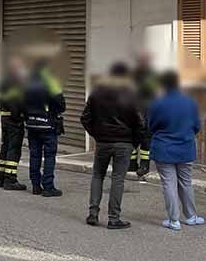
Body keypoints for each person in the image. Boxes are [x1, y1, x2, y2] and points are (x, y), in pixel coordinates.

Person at [81, 62, 143, 229]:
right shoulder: (131, 95)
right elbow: (140, 123)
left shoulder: (97, 93)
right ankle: (113, 218)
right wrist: (134, 142)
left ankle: (93, 213)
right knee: (118, 179)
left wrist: (98, 135)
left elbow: (85, 118)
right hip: (124, 143)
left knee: (97, 175)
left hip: (103, 142)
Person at [148, 71, 203, 231]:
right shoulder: (190, 102)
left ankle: (174, 221)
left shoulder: (157, 103)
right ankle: (191, 217)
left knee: (169, 184)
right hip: (185, 147)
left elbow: (151, 125)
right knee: (186, 182)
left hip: (163, 148)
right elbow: (197, 125)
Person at [24, 60, 66, 197]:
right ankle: (48, 187)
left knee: (34, 155)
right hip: (47, 125)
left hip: (31, 125)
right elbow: (61, 105)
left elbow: (22, 103)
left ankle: (36, 185)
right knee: (49, 156)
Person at [0, 56, 27, 191]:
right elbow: (15, 103)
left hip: (5, 118)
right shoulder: (15, 82)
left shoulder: (3, 81)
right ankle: (10, 180)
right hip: (14, 120)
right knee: (14, 149)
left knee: (5, 147)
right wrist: (19, 116)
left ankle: (0, 178)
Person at [129, 52, 158, 177]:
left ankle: (141, 164)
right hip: (138, 111)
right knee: (136, 139)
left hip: (144, 111)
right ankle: (136, 164)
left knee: (142, 139)